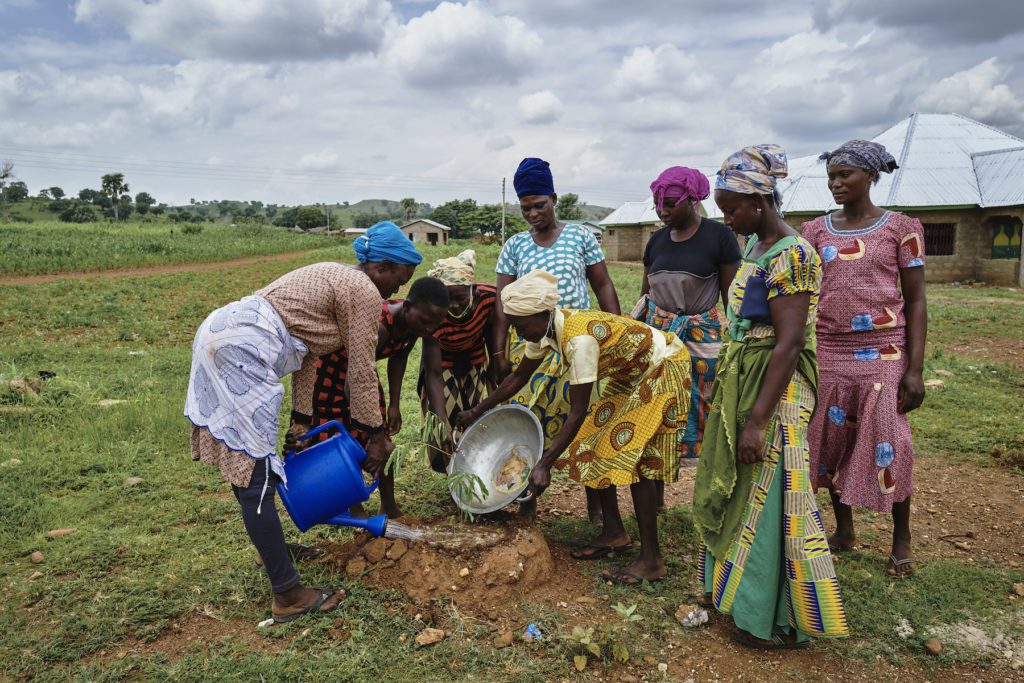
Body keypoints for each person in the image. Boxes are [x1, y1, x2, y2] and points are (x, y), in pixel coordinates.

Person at [184, 220, 421, 623]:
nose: (398, 290)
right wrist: (376, 434)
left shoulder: (336, 277)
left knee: (249, 465)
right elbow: (361, 370)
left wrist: (301, 420)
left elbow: (307, 354)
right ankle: (288, 595)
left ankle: (270, 547)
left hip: (222, 333)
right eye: (400, 277)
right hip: (244, 348)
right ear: (381, 266)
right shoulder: (363, 291)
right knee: (256, 473)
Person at [693, 145, 848, 648]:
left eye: (733, 207)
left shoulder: (793, 254)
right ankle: (735, 596)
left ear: (761, 201)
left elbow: (788, 342)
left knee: (769, 490)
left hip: (774, 388)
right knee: (741, 487)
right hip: (746, 376)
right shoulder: (756, 248)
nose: (727, 217)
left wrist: (758, 419)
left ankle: (768, 616)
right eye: (722, 208)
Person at [458, 270, 691, 584]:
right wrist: (476, 410)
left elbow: (578, 411)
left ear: (541, 314)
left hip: (662, 364)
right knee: (588, 447)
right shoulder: (543, 331)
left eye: (519, 326)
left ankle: (652, 561)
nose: (516, 332)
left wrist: (544, 464)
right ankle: (613, 532)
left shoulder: (579, 340)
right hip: (630, 373)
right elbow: (516, 379)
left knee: (633, 458)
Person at [802, 140, 927, 578]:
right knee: (832, 438)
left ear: (870, 177)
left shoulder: (902, 228)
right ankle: (844, 531)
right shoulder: (815, 231)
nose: (836, 183)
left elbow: (916, 300)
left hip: (885, 349)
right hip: (831, 349)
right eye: (832, 176)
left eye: (845, 175)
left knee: (891, 440)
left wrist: (914, 369)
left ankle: (901, 539)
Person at [495, 157, 621, 524]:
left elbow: (602, 284)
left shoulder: (581, 235)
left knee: (585, 423)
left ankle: (597, 507)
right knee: (529, 420)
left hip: (580, 344)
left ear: (554, 198)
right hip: (533, 348)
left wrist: (612, 329)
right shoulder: (515, 246)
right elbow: (503, 305)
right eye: (525, 208)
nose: (533, 213)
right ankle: (527, 500)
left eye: (539, 205)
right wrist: (500, 351)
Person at [634, 166, 741, 512]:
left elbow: (731, 297)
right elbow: (645, 294)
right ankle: (658, 494)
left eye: (670, 202)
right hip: (659, 339)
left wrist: (737, 340)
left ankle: (711, 498)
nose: (662, 210)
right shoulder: (656, 241)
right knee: (656, 412)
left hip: (700, 340)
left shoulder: (718, 237)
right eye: (657, 203)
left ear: (693, 200)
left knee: (703, 412)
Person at [311, 276, 449, 517]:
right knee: (347, 440)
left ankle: (389, 505)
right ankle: (354, 506)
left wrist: (394, 405)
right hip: (332, 376)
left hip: (361, 375)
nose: (429, 329)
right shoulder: (379, 326)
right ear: (407, 307)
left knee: (382, 440)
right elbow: (353, 384)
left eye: (435, 324)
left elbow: (399, 357)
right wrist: (369, 433)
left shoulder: (413, 324)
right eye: (426, 322)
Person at [417, 250, 500, 473]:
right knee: (447, 420)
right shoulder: (433, 313)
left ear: (473, 290)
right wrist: (441, 420)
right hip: (441, 363)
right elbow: (433, 373)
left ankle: (475, 470)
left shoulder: (490, 297)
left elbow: (495, 329)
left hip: (475, 359)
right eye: (447, 299)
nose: (452, 305)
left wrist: (495, 365)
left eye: (460, 298)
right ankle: (454, 475)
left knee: (474, 416)